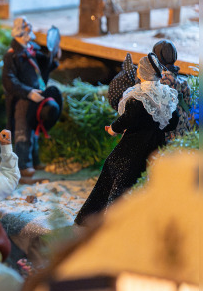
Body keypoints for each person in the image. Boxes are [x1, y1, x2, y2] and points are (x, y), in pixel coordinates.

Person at [74, 54, 180, 225]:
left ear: (142, 73)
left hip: (134, 145)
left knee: (117, 171)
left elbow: (129, 118)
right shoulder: (166, 95)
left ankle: (103, 217)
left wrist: (113, 129)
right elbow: (172, 123)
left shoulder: (139, 95)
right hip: (155, 145)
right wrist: (157, 126)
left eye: (139, 68)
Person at [2, 16, 62, 183]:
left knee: (34, 130)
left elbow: (45, 65)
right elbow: (9, 81)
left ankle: (33, 161)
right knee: (23, 132)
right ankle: (23, 165)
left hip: (37, 97)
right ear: (20, 32)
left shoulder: (32, 49)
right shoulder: (12, 56)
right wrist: (28, 92)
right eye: (27, 29)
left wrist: (54, 56)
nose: (30, 32)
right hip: (22, 100)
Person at [153, 40, 193, 140]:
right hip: (181, 128)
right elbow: (188, 105)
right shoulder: (183, 82)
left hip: (163, 129)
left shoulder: (156, 82)